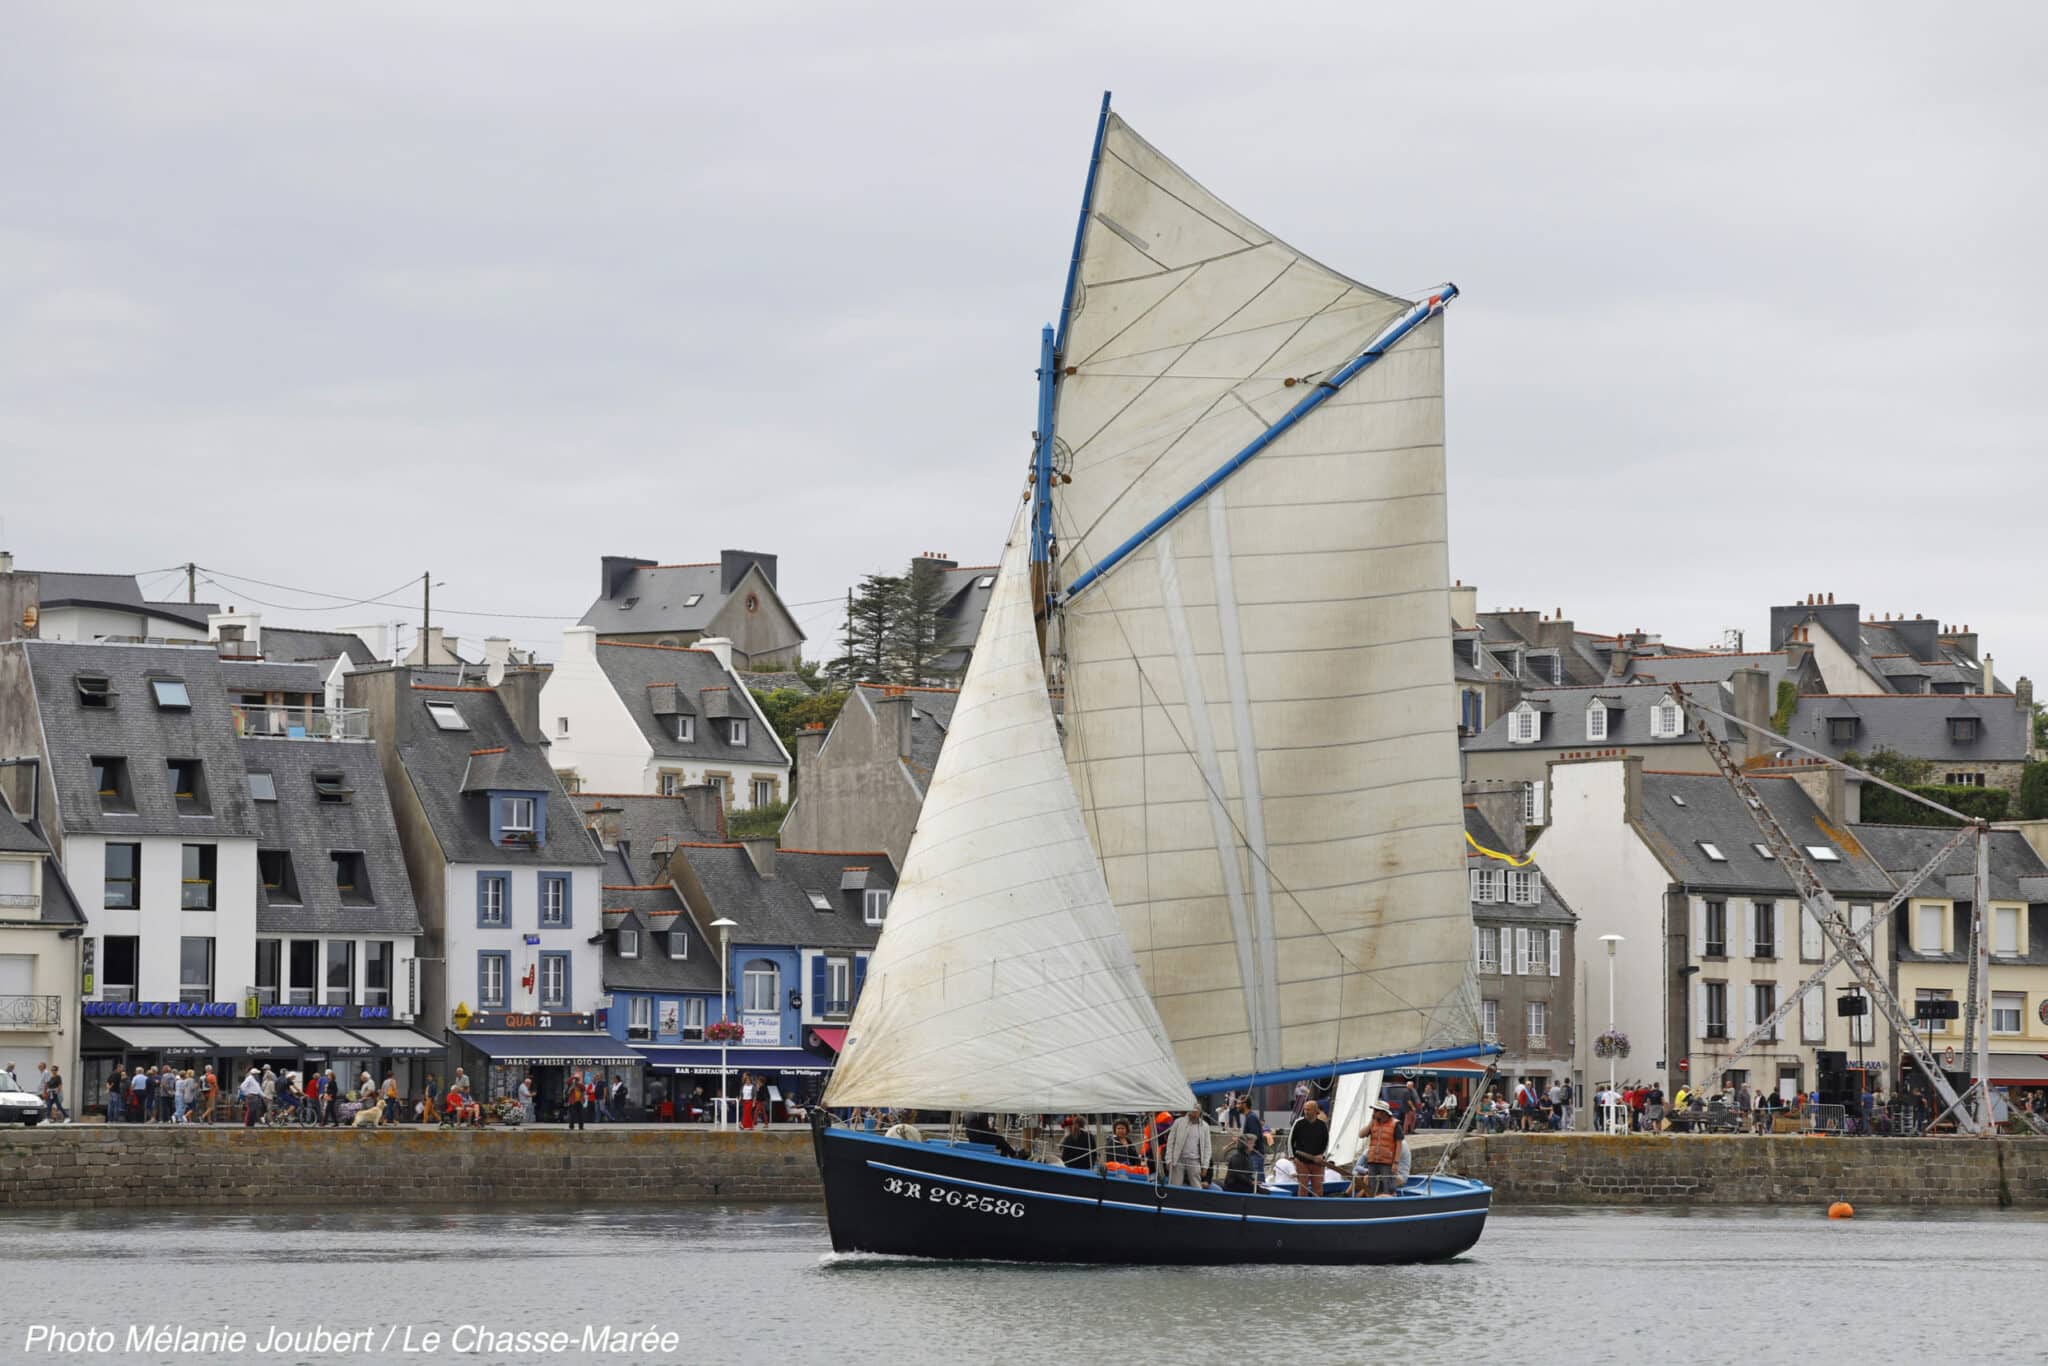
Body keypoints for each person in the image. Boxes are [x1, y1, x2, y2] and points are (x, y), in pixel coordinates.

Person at [1356, 1098, 1400, 1197]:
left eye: (1376, 1110)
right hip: (1373, 1160)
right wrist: (1371, 1121)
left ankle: (1388, 1206)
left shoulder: (1395, 1124)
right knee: (1371, 1187)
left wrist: (1396, 1163)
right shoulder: (1373, 1123)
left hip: (1387, 1161)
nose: (1374, 1112)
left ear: (1383, 1112)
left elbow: (1398, 1144)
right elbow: (1361, 1134)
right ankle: (1372, 1204)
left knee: (1387, 1187)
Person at [1291, 1099, 1331, 1197]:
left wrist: (1322, 1155)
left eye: (1308, 1110)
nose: (1306, 1112)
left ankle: (1318, 1208)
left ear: (1315, 1110)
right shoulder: (1298, 1123)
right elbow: (1291, 1140)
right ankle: (1301, 1207)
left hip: (1317, 1161)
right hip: (1301, 1161)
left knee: (1318, 1187)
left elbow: (1326, 1142)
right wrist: (1293, 1157)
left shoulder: (1322, 1125)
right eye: (1305, 1109)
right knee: (1303, 1187)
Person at [1164, 1107, 1211, 1187]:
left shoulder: (1205, 1126)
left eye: (1197, 1110)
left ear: (1200, 1111)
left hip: (1195, 1160)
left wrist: (1205, 1166)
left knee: (1197, 1187)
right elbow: (1170, 1142)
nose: (1195, 1112)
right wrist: (1168, 1159)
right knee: (1175, 1186)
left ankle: (1197, 1199)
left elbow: (1207, 1147)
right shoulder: (1178, 1122)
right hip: (1178, 1159)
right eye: (1193, 1110)